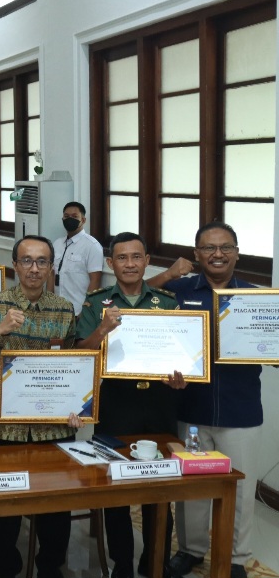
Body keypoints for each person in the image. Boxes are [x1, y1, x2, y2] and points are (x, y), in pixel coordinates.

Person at [150, 223, 261, 578]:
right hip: (190, 407)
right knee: (192, 485)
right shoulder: (177, 291)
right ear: (196, 254)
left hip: (240, 409)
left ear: (237, 253)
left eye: (226, 247)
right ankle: (191, 550)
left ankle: (236, 557)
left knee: (240, 488)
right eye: (209, 248)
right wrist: (168, 273)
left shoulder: (256, 298)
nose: (218, 254)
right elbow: (135, 300)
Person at [75, 232, 185, 578]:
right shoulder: (97, 303)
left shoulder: (167, 302)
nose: (130, 264)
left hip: (160, 402)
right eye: (122, 258)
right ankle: (121, 564)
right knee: (117, 488)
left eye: (137, 257)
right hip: (116, 402)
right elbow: (80, 352)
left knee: (160, 488)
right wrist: (102, 331)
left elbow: (183, 354)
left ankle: (155, 561)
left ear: (147, 261)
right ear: (111, 264)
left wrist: (182, 377)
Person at [0, 235, 82, 578]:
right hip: (5, 427)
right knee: (6, 508)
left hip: (54, 427)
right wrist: (1, 332)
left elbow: (73, 365)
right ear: (15, 265)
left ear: (51, 267)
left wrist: (78, 405)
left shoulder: (63, 309)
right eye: (26, 261)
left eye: (42, 262)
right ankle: (6, 569)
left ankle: (50, 568)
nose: (34, 269)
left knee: (56, 507)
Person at [48, 202, 103, 315]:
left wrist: (85, 310)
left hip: (78, 311)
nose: (70, 219)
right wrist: (48, 303)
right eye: (66, 216)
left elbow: (95, 281)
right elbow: (51, 274)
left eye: (74, 216)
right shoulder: (57, 244)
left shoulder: (92, 246)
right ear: (62, 219)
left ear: (83, 220)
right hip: (56, 310)